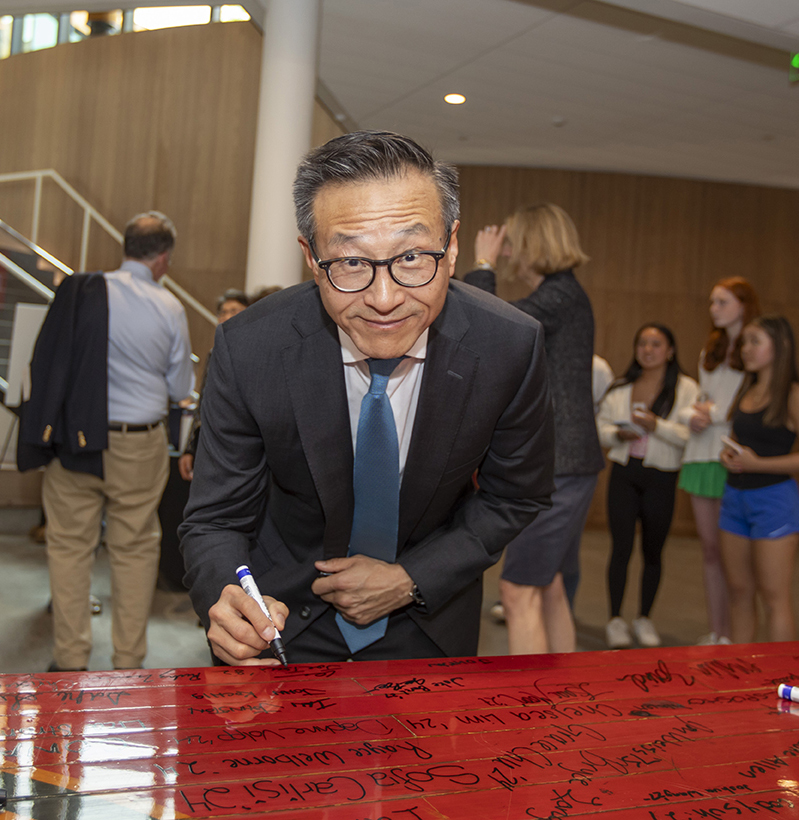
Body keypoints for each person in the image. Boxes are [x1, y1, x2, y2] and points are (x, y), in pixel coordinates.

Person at [179, 130, 554, 665]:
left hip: (427, 624)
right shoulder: (251, 347)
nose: (384, 300)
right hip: (280, 625)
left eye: (413, 257)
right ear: (311, 258)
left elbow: (515, 496)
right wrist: (226, 601)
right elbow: (216, 518)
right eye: (351, 263)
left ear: (451, 248)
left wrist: (411, 579)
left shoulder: (509, 346)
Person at [18, 212, 195, 671]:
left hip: (77, 443)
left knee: (69, 545)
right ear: (163, 258)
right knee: (134, 548)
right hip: (139, 444)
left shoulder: (85, 293)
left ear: (126, 246)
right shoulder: (169, 307)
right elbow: (180, 390)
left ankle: (70, 657)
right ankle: (129, 662)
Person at [464, 204, 603, 654]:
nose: (507, 255)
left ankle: (531, 712)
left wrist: (482, 267)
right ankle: (561, 691)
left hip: (558, 466)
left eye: (511, 245)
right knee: (550, 585)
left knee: (518, 591)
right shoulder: (565, 294)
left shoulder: (560, 295)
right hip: (568, 464)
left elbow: (491, 327)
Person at [719, 316, 799, 643]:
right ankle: (739, 675)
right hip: (735, 498)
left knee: (774, 597)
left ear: (780, 347)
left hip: (774, 501)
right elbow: (738, 436)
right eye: (744, 341)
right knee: (739, 590)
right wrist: (730, 457)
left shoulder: (795, 396)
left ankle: (783, 678)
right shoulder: (747, 388)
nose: (746, 349)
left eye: (755, 342)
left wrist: (759, 463)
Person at [597, 324, 698, 648]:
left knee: (653, 550)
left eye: (656, 344)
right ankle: (615, 619)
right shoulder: (621, 387)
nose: (648, 350)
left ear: (670, 351)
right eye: (642, 343)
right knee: (621, 548)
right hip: (625, 474)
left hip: (662, 477)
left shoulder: (686, 389)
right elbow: (599, 427)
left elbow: (690, 438)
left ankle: (644, 618)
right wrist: (616, 435)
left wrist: (658, 426)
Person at [678, 278, 760, 646]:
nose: (714, 308)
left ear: (743, 305)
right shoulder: (708, 350)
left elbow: (753, 401)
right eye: (712, 302)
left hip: (731, 454)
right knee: (710, 550)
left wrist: (717, 412)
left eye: (722, 301)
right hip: (699, 452)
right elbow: (700, 398)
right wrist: (691, 414)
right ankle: (717, 632)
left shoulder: (756, 350)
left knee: (734, 554)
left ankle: (736, 634)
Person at [178, 288, 249, 482]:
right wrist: (189, 448)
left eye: (234, 311)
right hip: (216, 446)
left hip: (246, 448)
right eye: (223, 312)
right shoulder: (214, 352)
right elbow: (204, 402)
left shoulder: (257, 352)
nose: (227, 316)